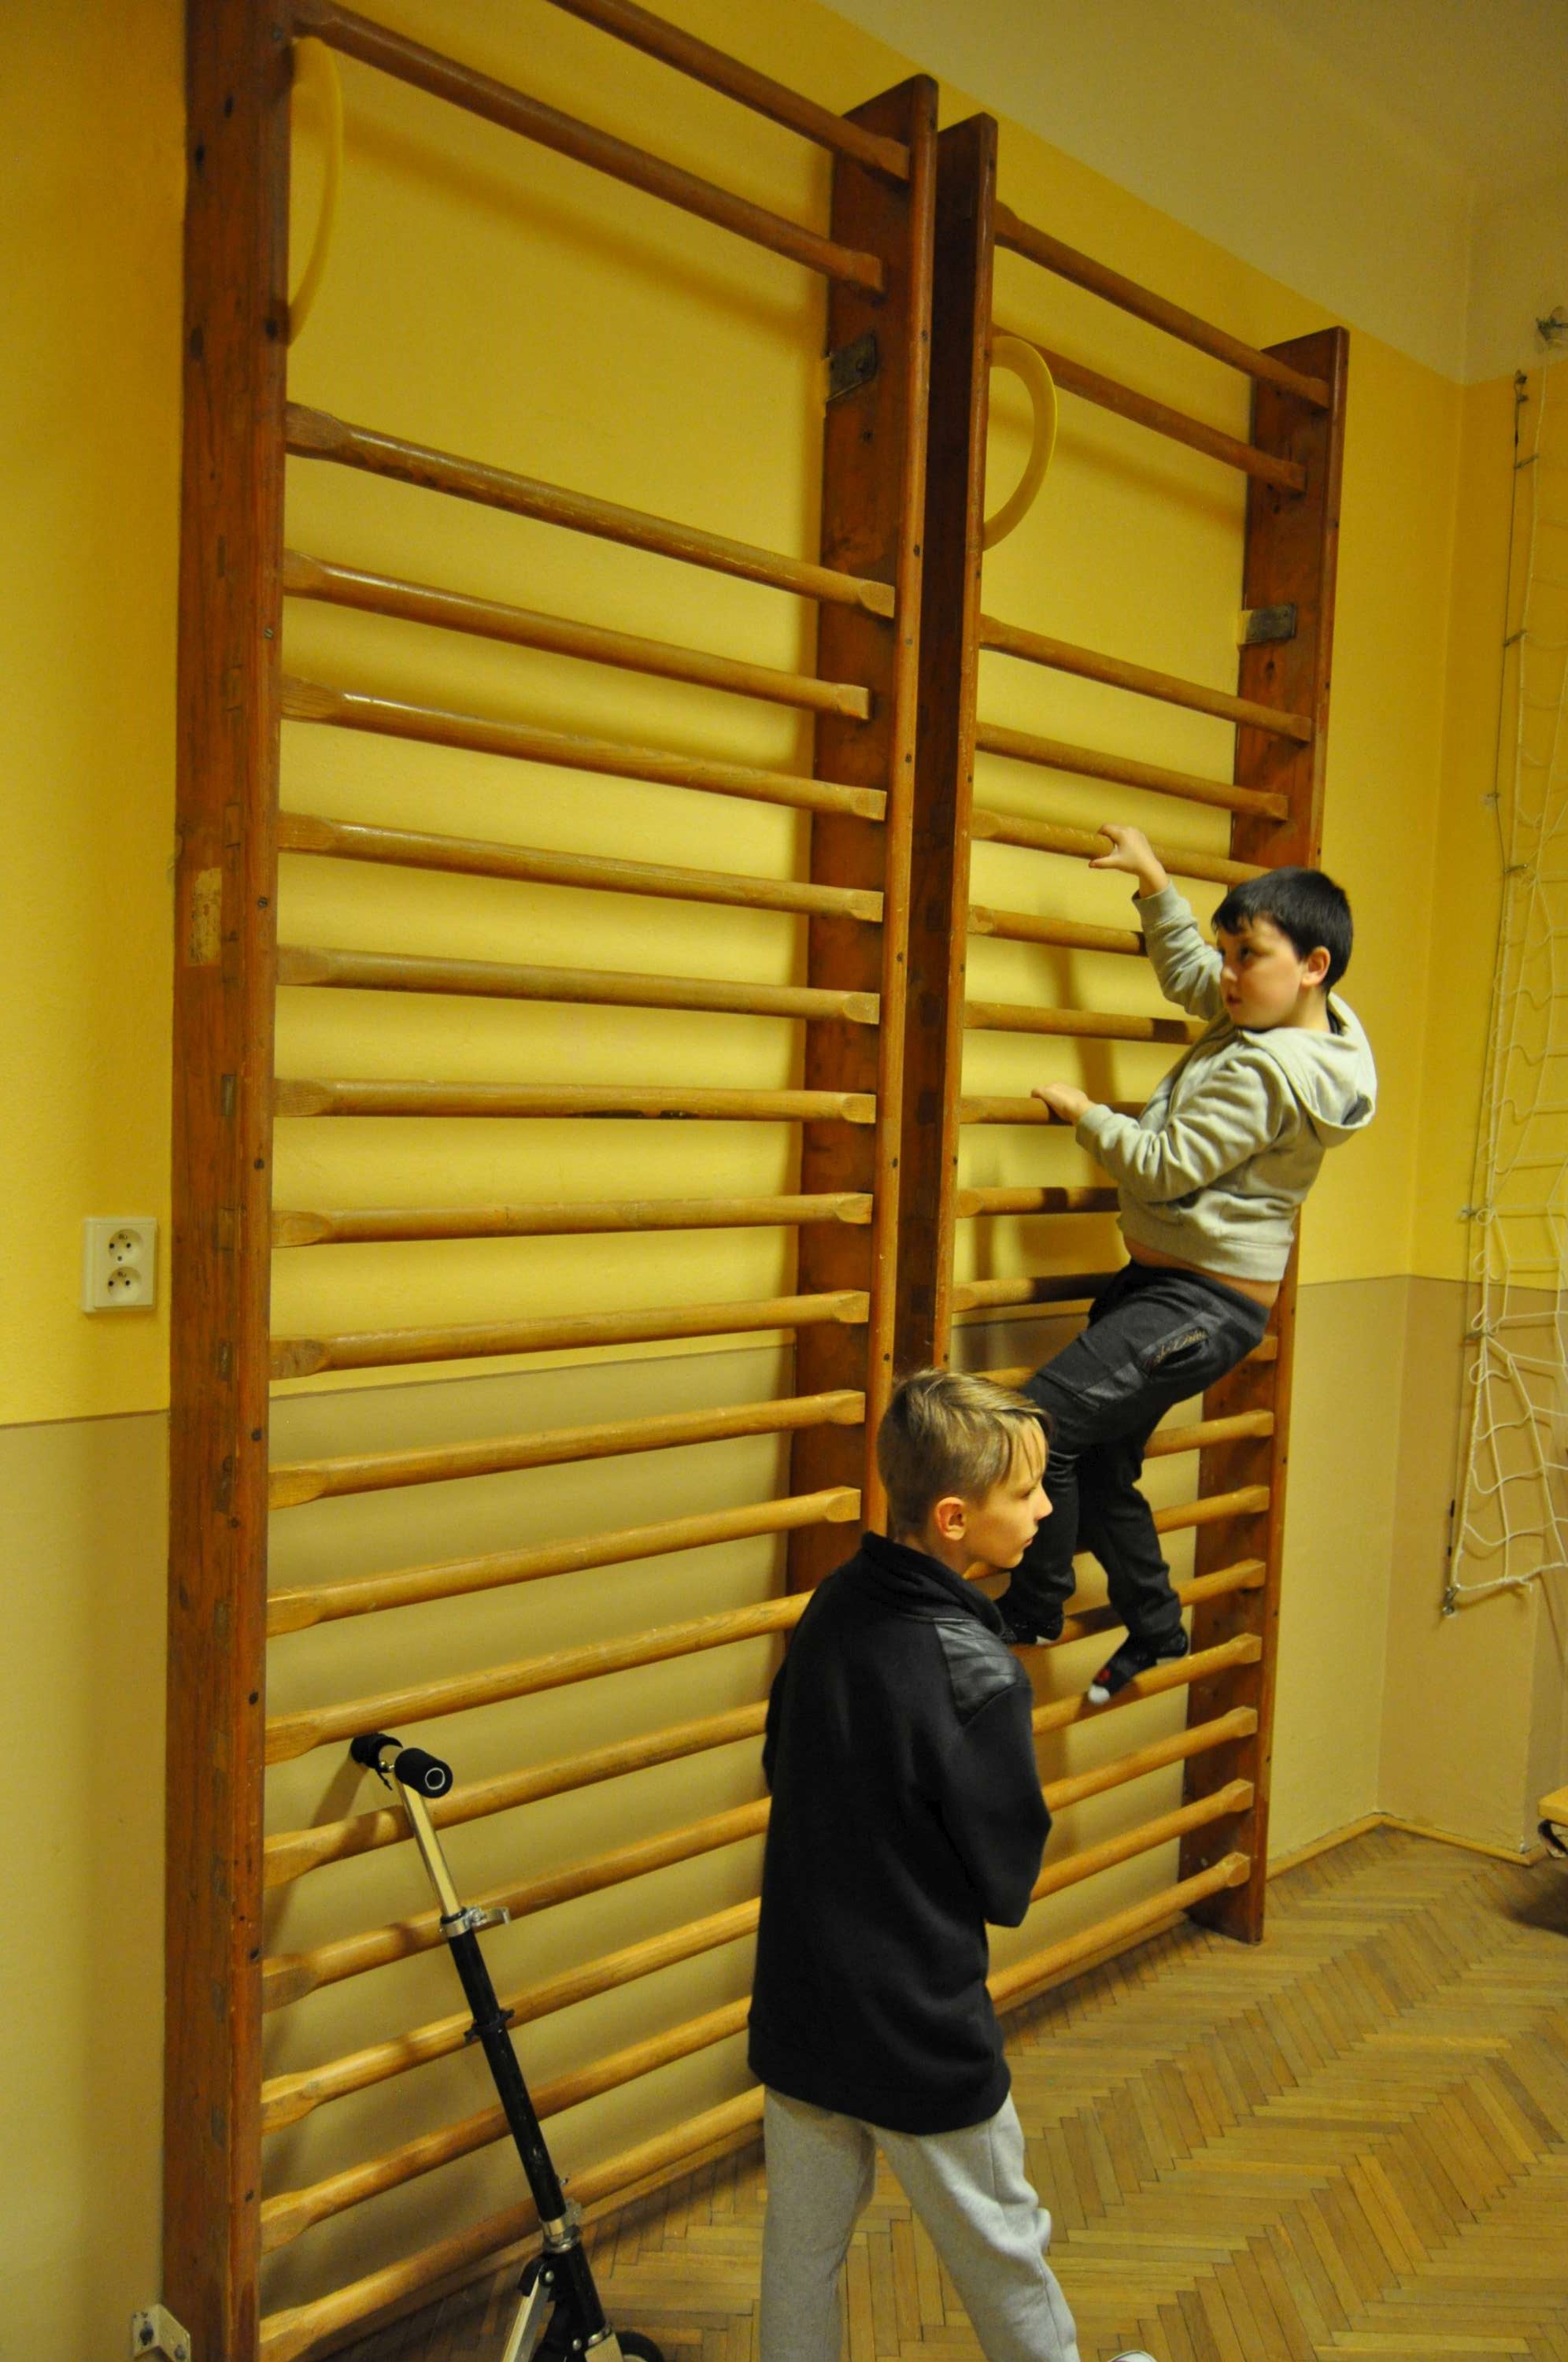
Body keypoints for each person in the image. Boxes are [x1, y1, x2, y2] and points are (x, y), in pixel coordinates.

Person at [749, 1368, 1155, 2362]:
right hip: (918, 2028)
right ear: (954, 1519)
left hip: (801, 2002)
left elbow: (778, 1761)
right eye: (1026, 1491)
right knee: (1004, 2251)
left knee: (798, 2258)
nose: (1046, 1508)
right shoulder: (979, 1677)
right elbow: (1005, 1880)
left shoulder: (831, 1606)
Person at [995, 823, 1376, 1701]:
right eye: (1228, 953)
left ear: (1313, 965)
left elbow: (1164, 1166)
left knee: (1038, 1426)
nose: (1228, 976)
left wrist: (1087, 1114)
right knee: (1100, 1464)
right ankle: (1158, 1627)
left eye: (1249, 957)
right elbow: (1191, 975)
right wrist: (1154, 884)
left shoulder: (1266, 1074)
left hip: (1198, 1307)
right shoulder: (1298, 1017)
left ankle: (1036, 1606)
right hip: (1174, 1291)